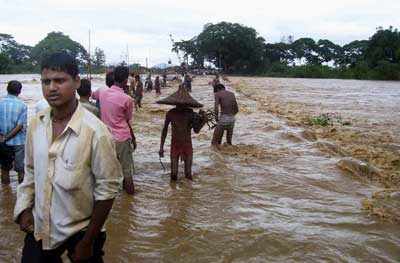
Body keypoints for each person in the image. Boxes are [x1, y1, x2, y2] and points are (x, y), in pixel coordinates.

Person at [14, 52, 123, 262]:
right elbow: (30, 171)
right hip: (40, 229)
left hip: (81, 233)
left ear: (76, 82)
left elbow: (108, 190)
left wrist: (88, 242)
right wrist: (23, 208)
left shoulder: (96, 132)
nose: (52, 88)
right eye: (46, 82)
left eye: (60, 80)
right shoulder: (36, 124)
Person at [96, 66, 136, 194]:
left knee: (109, 173)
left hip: (106, 139)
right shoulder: (127, 99)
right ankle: (130, 203)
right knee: (127, 172)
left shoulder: (102, 92)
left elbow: (89, 95)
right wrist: (133, 138)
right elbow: (128, 120)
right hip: (123, 138)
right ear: (125, 81)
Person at [158, 85, 206, 181]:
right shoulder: (171, 113)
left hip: (187, 144)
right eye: (179, 104)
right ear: (175, 103)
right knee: (174, 175)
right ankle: (176, 194)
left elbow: (196, 130)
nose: (180, 106)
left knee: (188, 174)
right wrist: (161, 148)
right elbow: (165, 130)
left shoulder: (191, 114)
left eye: (182, 104)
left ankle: (187, 194)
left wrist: (203, 121)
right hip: (175, 145)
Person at [0, 80, 27, 184]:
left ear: (7, 89)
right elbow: (20, 126)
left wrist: (3, 137)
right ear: (19, 91)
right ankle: (22, 195)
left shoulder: (0, 104)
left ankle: (6, 192)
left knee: (5, 168)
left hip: (2, 141)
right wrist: (7, 137)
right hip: (18, 141)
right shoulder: (22, 105)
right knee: (21, 169)